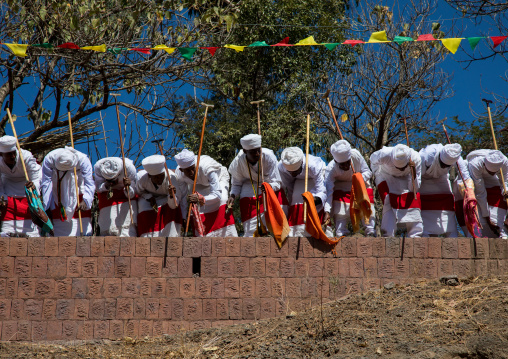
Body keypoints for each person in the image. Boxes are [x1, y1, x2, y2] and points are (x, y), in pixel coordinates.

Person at [227, 134, 288, 237]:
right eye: (252, 152)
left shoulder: (268, 156)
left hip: (268, 184)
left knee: (278, 217)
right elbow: (236, 184)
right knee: (251, 227)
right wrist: (232, 195)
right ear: (245, 151)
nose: (257, 154)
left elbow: (277, 182)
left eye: (258, 150)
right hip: (249, 185)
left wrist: (268, 187)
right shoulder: (237, 163)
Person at [174, 149, 237, 237]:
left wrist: (202, 198)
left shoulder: (206, 167)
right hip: (198, 184)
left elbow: (217, 195)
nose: (192, 173)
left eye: (193, 169)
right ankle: (204, 236)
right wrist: (184, 217)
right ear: (181, 170)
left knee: (222, 200)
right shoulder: (179, 174)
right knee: (196, 206)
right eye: (187, 171)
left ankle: (227, 234)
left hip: (219, 178)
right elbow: (184, 198)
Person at [323, 140, 375, 236]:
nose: (346, 166)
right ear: (335, 161)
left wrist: (358, 178)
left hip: (360, 182)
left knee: (367, 205)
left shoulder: (355, 155)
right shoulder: (330, 169)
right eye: (342, 165)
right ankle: (341, 232)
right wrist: (327, 211)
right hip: (341, 186)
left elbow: (368, 172)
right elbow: (328, 191)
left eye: (347, 162)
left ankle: (370, 230)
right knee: (340, 209)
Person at [370, 144, 423, 237]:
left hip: (407, 178)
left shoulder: (416, 159)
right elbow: (372, 160)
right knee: (388, 201)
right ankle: (388, 234)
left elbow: (414, 187)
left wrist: (413, 172)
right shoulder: (384, 154)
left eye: (403, 167)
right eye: (398, 168)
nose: (400, 170)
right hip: (386, 175)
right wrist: (378, 176)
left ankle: (415, 234)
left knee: (413, 200)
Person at [41, 147, 95, 236]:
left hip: (77, 191)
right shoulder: (49, 159)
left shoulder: (82, 160)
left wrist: (86, 200)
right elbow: (46, 183)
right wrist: (47, 207)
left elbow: (89, 183)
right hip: (57, 191)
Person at [419, 143, 469, 237]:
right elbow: (416, 177)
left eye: (447, 165)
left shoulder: (457, 158)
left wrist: (469, 192)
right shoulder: (426, 156)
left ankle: (450, 234)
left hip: (441, 179)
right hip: (424, 179)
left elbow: (465, 176)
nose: (444, 167)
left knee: (448, 204)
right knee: (425, 216)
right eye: (442, 164)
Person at [278, 147, 327, 236]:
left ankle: (316, 230)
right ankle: (296, 231)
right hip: (298, 181)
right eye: (290, 172)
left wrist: (315, 199)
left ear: (301, 165)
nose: (292, 174)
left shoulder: (313, 165)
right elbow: (289, 187)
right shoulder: (281, 167)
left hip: (313, 179)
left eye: (295, 171)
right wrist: (291, 205)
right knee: (296, 197)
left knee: (310, 202)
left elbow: (321, 190)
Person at [0, 136, 42, 237]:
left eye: (14, 152)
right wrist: (2, 197)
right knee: (7, 232)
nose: (13, 156)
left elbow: (35, 177)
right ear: (1, 154)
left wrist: (34, 186)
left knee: (32, 231)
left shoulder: (26, 156)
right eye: (9, 154)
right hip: (8, 183)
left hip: (27, 183)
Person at [136, 154, 182, 237]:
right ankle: (146, 235)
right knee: (141, 204)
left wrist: (172, 196)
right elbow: (139, 192)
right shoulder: (142, 179)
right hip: (150, 199)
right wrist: (149, 197)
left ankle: (170, 236)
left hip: (167, 199)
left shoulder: (171, 178)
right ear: (149, 176)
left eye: (161, 176)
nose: (160, 180)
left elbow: (174, 204)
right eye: (156, 177)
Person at [467, 149, 508, 238]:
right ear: (485, 164)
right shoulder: (474, 164)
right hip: (476, 176)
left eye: (494, 172)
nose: (492, 173)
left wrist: (506, 191)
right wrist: (487, 218)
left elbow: (505, 181)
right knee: (480, 217)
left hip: (494, 180)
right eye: (490, 172)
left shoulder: (504, 161)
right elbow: (480, 193)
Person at [94, 157, 138, 237]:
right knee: (107, 230)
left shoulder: (128, 168)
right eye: (109, 180)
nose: (112, 182)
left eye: (113, 180)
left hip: (125, 199)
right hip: (107, 200)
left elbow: (133, 193)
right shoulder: (98, 167)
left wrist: (128, 186)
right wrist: (106, 185)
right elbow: (98, 187)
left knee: (126, 230)